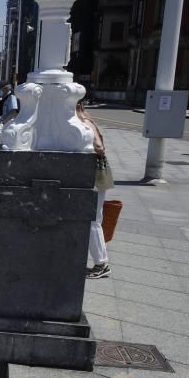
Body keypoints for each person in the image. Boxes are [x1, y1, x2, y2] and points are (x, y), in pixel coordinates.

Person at [78, 101, 113, 279]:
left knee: (92, 220)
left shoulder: (84, 122)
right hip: (97, 175)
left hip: (94, 176)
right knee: (94, 219)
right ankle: (100, 262)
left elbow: (98, 147)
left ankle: (101, 264)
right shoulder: (87, 119)